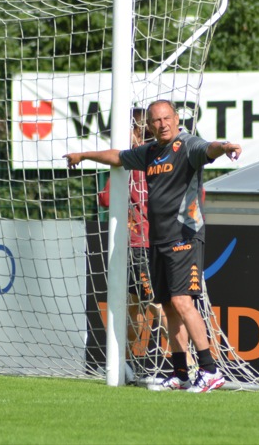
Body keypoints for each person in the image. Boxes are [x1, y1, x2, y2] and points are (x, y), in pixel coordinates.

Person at [65, 99, 241, 393]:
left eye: (166, 118)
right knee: (170, 307)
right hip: (157, 240)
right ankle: (181, 373)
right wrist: (83, 154)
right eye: (156, 121)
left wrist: (225, 147)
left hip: (184, 236)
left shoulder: (187, 145)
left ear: (176, 119)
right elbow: (119, 157)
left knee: (183, 303)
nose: (162, 124)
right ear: (149, 125)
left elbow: (208, 148)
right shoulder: (150, 152)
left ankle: (210, 370)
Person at [97, 108, 153, 383]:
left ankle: (187, 361)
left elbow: (106, 199)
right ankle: (128, 363)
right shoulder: (159, 155)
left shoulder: (137, 160)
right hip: (144, 241)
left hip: (143, 243)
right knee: (134, 306)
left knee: (156, 305)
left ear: (133, 131)